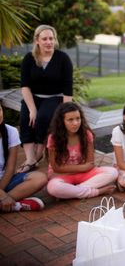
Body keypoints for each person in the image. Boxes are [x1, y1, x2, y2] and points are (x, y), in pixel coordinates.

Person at [18, 25, 73, 173]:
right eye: (44, 39)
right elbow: (25, 86)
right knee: (25, 118)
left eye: (51, 38)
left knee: (43, 117)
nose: (49, 42)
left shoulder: (63, 58)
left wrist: (65, 112)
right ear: (37, 40)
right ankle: (30, 158)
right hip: (33, 98)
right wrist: (32, 109)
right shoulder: (29, 58)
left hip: (54, 98)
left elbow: (68, 88)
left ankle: (37, 154)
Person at [46, 102, 117, 199]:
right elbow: (56, 168)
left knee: (113, 172)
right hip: (62, 176)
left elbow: (90, 164)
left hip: (83, 174)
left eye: (77, 118)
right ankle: (95, 192)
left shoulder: (86, 134)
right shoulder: (53, 138)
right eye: (70, 120)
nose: (75, 123)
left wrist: (72, 169)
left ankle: (72, 191)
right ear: (62, 121)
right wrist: (83, 167)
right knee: (53, 188)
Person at [0, 104, 47, 212]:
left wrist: (2, 194)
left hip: (4, 181)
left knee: (40, 178)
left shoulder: (11, 131)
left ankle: (6, 204)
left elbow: (10, 169)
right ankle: (15, 205)